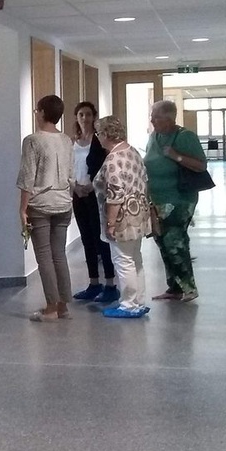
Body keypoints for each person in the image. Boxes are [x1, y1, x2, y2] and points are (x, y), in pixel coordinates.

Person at [143, 98, 207, 302]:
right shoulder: (154, 137)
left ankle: (189, 287)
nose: (152, 120)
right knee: (162, 242)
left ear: (170, 119)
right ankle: (174, 288)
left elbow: (201, 165)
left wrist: (175, 156)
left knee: (175, 241)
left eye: (156, 117)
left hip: (179, 199)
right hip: (157, 199)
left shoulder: (185, 137)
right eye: (152, 116)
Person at [18, 94, 74, 322]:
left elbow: (27, 177)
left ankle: (51, 307)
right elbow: (71, 174)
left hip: (40, 204)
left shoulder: (33, 140)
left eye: (37, 110)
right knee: (59, 254)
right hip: (63, 202)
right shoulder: (66, 140)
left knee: (44, 256)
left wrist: (22, 209)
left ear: (42, 112)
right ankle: (63, 306)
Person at [92, 115, 151, 319]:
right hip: (138, 214)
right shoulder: (132, 152)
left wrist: (110, 223)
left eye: (98, 133)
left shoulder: (114, 159)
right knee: (135, 259)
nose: (98, 138)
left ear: (106, 134)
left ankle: (128, 304)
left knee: (123, 260)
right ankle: (138, 301)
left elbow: (115, 194)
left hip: (123, 218)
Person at [68, 101, 118, 305]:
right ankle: (93, 283)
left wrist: (91, 186)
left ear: (94, 117)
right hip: (78, 194)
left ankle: (110, 284)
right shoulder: (73, 142)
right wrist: (75, 186)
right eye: (81, 114)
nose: (84, 118)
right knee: (86, 238)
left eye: (88, 114)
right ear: (76, 117)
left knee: (100, 238)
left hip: (96, 194)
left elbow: (105, 167)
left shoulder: (99, 141)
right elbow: (69, 168)